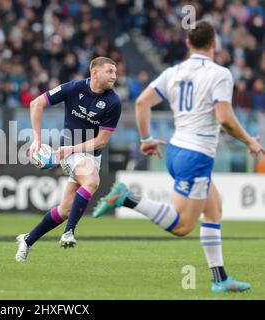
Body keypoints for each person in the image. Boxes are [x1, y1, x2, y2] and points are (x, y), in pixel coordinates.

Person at [92, 21, 265, 293]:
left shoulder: (174, 71)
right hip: (196, 156)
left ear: (187, 43)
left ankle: (220, 278)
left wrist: (147, 138)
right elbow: (225, 119)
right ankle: (127, 197)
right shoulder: (220, 74)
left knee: (214, 206)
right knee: (183, 226)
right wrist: (249, 141)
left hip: (175, 150)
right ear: (214, 44)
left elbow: (141, 103)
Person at [15, 57, 122, 262]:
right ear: (95, 73)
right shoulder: (73, 88)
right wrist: (37, 139)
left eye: (115, 72)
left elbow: (101, 142)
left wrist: (71, 149)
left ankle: (27, 240)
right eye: (110, 71)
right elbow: (36, 103)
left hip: (87, 153)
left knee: (64, 210)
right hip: (70, 153)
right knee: (92, 181)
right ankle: (69, 232)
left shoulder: (113, 102)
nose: (114, 76)